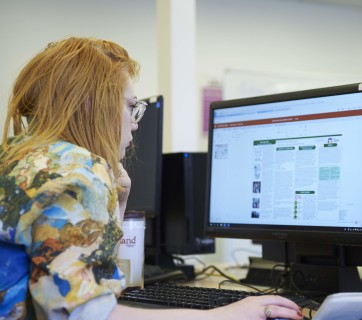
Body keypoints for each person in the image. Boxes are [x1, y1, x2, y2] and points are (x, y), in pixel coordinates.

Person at [0, 37, 303, 320]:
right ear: (93, 104)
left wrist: (119, 201)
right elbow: (84, 314)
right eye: (131, 107)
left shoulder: (20, 159)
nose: (134, 125)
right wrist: (220, 315)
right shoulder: (76, 170)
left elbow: (100, 284)